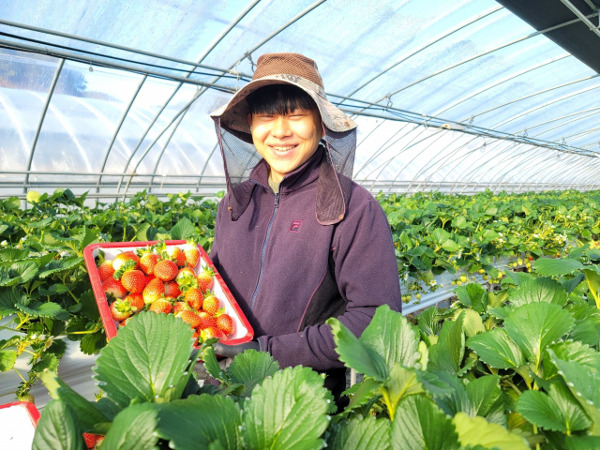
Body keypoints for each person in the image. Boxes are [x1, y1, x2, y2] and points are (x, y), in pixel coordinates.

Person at [207, 52, 402, 408]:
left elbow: (375, 320)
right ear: (251, 124)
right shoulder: (235, 203)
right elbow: (214, 289)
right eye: (267, 115)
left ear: (321, 124)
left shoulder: (353, 208)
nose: (280, 131)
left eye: (296, 114)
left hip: (304, 402)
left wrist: (266, 353)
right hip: (226, 389)